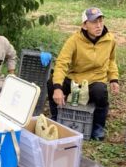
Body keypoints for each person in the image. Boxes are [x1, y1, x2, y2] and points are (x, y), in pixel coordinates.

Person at [47, 7, 119, 140]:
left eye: (100, 21)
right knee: (51, 83)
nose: (98, 25)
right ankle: (56, 117)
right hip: (74, 78)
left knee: (100, 91)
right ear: (84, 26)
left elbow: (111, 60)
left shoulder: (110, 40)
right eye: (94, 22)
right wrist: (57, 87)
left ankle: (98, 126)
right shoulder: (73, 40)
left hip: (95, 80)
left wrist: (114, 79)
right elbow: (62, 63)